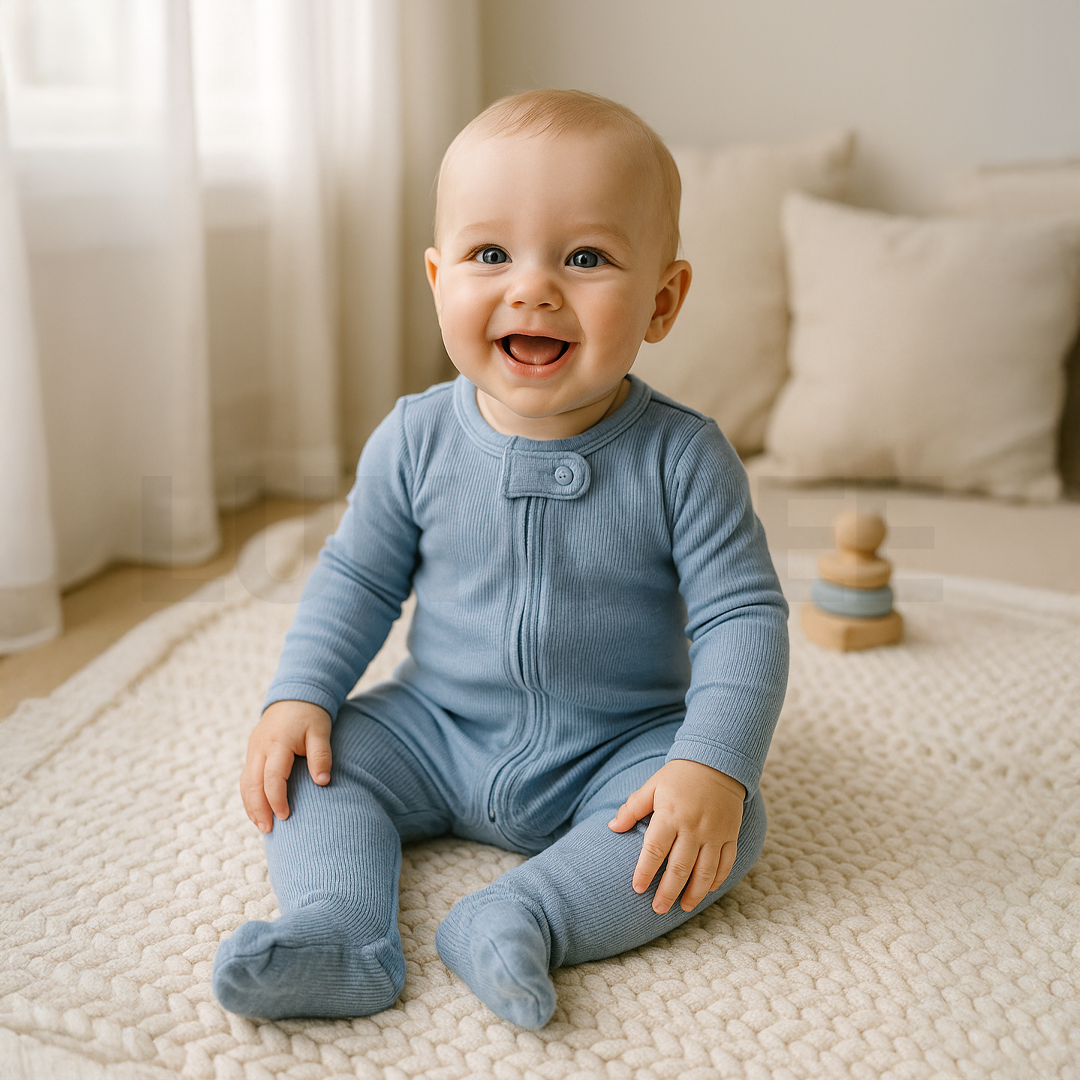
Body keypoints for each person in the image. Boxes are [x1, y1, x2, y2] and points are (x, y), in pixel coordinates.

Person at [212, 89, 789, 1030]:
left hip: (616, 745)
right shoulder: (415, 438)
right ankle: (342, 928)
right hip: (436, 728)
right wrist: (300, 693)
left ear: (662, 301)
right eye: (491, 255)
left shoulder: (683, 457)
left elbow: (744, 618)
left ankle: (524, 915)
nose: (533, 289)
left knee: (727, 821)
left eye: (586, 258)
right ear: (437, 279)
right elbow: (357, 578)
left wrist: (711, 762)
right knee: (311, 764)